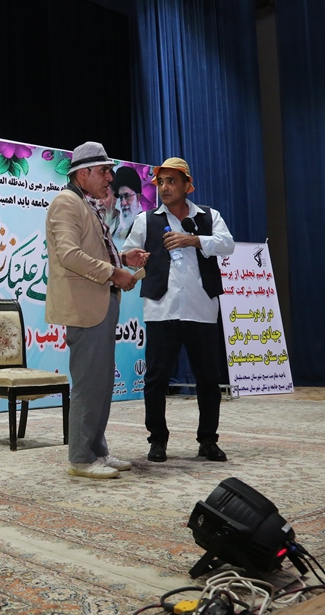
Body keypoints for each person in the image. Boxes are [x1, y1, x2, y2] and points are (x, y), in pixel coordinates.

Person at [45, 142, 150, 479]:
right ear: (83, 173)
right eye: (104, 171)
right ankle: (80, 458)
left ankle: (97, 451)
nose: (109, 178)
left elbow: (93, 251)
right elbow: (69, 254)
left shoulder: (87, 205)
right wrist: (114, 273)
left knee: (101, 383)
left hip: (101, 304)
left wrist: (122, 259)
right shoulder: (66, 203)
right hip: (85, 307)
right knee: (89, 383)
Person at [122, 157, 235, 463]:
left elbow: (227, 244)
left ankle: (208, 441)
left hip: (202, 309)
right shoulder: (146, 220)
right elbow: (127, 253)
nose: (164, 188)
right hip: (162, 309)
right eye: (160, 182)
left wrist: (193, 240)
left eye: (171, 181)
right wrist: (132, 258)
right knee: (156, 380)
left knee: (208, 380)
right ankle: (157, 440)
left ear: (187, 185)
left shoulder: (209, 216)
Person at [112, 166, 145, 240]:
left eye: (127, 196)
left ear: (138, 197)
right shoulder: (117, 229)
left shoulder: (145, 225)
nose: (123, 203)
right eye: (120, 197)